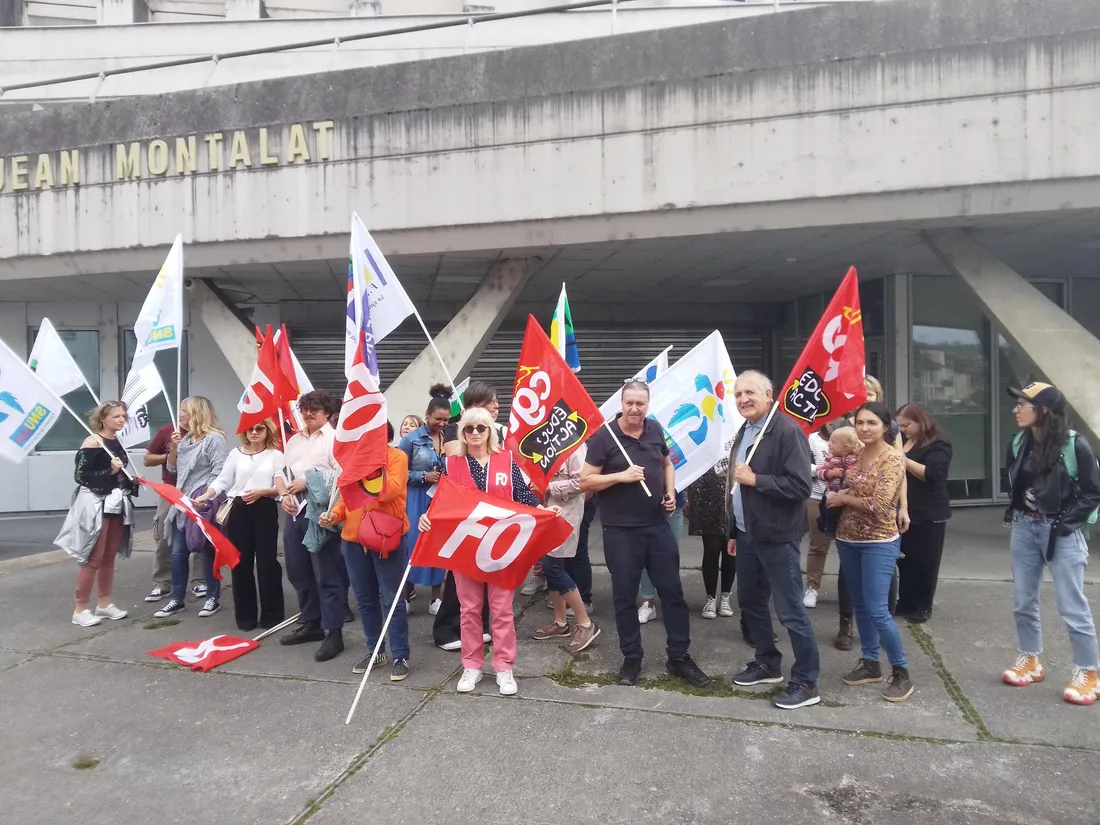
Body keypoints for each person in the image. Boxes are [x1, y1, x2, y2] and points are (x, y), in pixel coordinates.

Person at [581, 380, 709, 689]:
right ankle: (631, 658)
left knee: (673, 593)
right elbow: (585, 481)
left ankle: (679, 657)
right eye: (630, 403)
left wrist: (669, 492)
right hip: (620, 531)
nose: (635, 409)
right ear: (621, 405)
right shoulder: (604, 437)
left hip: (656, 527)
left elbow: (667, 462)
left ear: (647, 405)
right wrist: (620, 476)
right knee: (624, 597)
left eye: (641, 403)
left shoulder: (654, 429)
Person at [418, 406, 551, 696]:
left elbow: (523, 495)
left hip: (500, 548)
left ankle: (504, 667)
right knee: (469, 610)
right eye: (469, 428)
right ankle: (472, 665)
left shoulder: (506, 460)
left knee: (502, 610)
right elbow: (440, 499)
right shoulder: (452, 464)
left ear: (490, 430)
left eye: (481, 427)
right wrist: (426, 515)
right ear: (462, 434)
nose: (475, 433)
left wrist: (542, 510)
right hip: (466, 548)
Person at [1000, 382, 1100, 705]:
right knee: (1022, 600)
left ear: (1042, 410)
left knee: (1072, 605)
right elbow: (1012, 480)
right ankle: (1030, 659)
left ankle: (1089, 672)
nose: (1016, 409)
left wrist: (1064, 525)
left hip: (1061, 531)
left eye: (1022, 404)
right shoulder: (1019, 442)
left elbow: (1092, 493)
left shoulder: (1074, 445)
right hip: (1024, 527)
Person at [726, 371, 819, 710]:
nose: (743, 399)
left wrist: (757, 479)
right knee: (750, 604)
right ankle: (767, 663)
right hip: (748, 534)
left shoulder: (787, 431)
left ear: (769, 395)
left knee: (790, 610)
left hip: (777, 537)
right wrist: (734, 531)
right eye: (738, 394)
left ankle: (807, 682)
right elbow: (735, 489)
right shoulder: (746, 429)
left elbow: (800, 487)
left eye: (749, 392)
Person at [829, 402, 914, 703]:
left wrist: (842, 499)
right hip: (847, 539)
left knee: (878, 609)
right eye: (860, 422)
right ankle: (870, 664)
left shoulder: (892, 458)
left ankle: (901, 672)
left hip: (879, 541)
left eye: (872, 423)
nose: (865, 428)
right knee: (861, 605)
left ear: (887, 426)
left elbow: (879, 505)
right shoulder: (856, 454)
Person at [324, 421, 412, 681]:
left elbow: (390, 490)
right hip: (353, 539)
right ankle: (375, 651)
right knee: (364, 599)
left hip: (386, 536)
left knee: (392, 598)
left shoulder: (397, 457)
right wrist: (334, 515)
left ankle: (400, 654)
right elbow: (346, 498)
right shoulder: (353, 459)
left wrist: (371, 466)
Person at [275, 390, 348, 663]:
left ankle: (334, 631)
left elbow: (343, 475)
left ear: (328, 413)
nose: (307, 414)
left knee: (325, 573)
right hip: (294, 510)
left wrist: (309, 481)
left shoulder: (334, 440)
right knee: (297, 570)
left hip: (320, 512)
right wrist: (283, 495)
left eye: (313, 410)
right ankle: (312, 621)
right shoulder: (293, 440)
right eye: (304, 409)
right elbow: (280, 474)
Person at [197, 418, 285, 631]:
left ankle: (272, 616)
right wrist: (206, 495)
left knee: (267, 562)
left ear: (267, 430)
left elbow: (280, 485)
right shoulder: (235, 454)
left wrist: (263, 492)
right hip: (238, 509)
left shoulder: (276, 454)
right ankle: (245, 617)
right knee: (240, 563)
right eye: (250, 429)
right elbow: (223, 480)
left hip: (264, 507)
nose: (254, 432)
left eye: (259, 428)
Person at [433, 380, 500, 651]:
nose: (497, 406)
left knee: (485, 573)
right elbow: (456, 467)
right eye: (491, 401)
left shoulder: (497, 430)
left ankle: (480, 626)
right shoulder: (454, 430)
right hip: (464, 515)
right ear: (475, 404)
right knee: (459, 577)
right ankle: (447, 629)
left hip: (492, 515)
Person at [59, 401, 137, 627]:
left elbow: (120, 475)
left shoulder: (117, 441)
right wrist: (109, 471)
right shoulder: (92, 442)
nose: (121, 420)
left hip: (116, 503)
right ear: (103, 419)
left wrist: (130, 481)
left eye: (123, 416)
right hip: (96, 504)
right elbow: (81, 475)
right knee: (93, 557)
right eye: (116, 416)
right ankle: (80, 609)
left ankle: (104, 605)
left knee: (109, 556)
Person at [153, 397, 230, 620]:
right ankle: (177, 599)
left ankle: (212, 597)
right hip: (182, 503)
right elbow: (172, 468)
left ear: (196, 413)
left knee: (205, 552)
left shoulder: (215, 440)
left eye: (183, 411)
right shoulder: (186, 439)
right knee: (178, 554)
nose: (180, 415)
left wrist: (204, 495)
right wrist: (175, 448)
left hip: (202, 504)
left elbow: (220, 472)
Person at [532, 445, 600, 653]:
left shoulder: (575, 446)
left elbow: (583, 482)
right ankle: (560, 622)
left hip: (566, 513)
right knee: (550, 562)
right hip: (547, 511)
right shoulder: (545, 444)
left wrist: (550, 488)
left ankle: (586, 624)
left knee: (553, 566)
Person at [895, 404, 953, 624]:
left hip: (930, 511)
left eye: (907, 425)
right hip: (906, 509)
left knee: (926, 561)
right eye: (900, 426)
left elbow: (934, 475)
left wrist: (903, 459)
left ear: (921, 421)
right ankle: (905, 601)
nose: (904, 429)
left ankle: (923, 605)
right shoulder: (901, 440)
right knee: (905, 559)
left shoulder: (939, 444)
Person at [398, 386, 451, 613]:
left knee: (437, 545)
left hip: (440, 500)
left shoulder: (448, 439)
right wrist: (423, 476)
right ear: (427, 415)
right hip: (415, 498)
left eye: (446, 420)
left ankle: (436, 598)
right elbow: (398, 473)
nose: (442, 424)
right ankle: (407, 594)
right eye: (438, 419)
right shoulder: (410, 440)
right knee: (412, 544)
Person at [144, 419, 203, 602]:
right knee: (164, 535)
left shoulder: (205, 431)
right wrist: (170, 454)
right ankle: (162, 583)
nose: (184, 417)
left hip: (196, 489)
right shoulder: (166, 430)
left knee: (199, 535)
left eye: (188, 412)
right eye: (182, 412)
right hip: (170, 488)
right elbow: (147, 459)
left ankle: (200, 580)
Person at [685, 464, 736, 620]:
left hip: (733, 496)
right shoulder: (710, 441)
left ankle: (725, 597)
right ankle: (711, 598)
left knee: (730, 551)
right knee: (711, 549)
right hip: (708, 494)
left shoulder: (739, 441)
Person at [636, 490, 685, 624]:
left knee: (670, 557)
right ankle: (648, 603)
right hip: (644, 505)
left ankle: (672, 604)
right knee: (645, 556)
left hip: (673, 504)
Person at [803, 424, 831, 609]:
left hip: (848, 497)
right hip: (816, 496)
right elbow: (803, 464)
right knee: (818, 545)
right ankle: (812, 587)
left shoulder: (854, 436)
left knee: (851, 547)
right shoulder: (813, 439)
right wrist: (824, 470)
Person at [815, 427, 862, 537]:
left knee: (833, 510)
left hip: (845, 491)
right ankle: (823, 521)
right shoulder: (830, 459)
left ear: (845, 447)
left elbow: (857, 474)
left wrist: (847, 473)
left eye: (833, 442)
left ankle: (831, 528)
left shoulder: (855, 458)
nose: (829, 444)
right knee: (822, 505)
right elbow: (821, 472)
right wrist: (830, 474)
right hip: (832, 489)